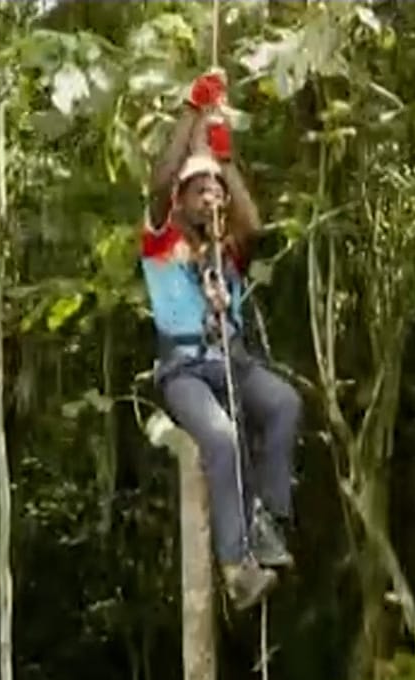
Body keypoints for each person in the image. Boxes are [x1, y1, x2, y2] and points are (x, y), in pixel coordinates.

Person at [141, 69, 302, 612]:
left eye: (215, 190)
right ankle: (236, 566)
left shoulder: (225, 248)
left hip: (231, 357)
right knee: (222, 440)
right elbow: (162, 180)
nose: (210, 195)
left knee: (284, 405)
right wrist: (193, 112)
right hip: (185, 369)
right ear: (182, 198)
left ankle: (267, 523)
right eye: (199, 189)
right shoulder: (163, 240)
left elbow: (252, 223)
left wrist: (225, 164)